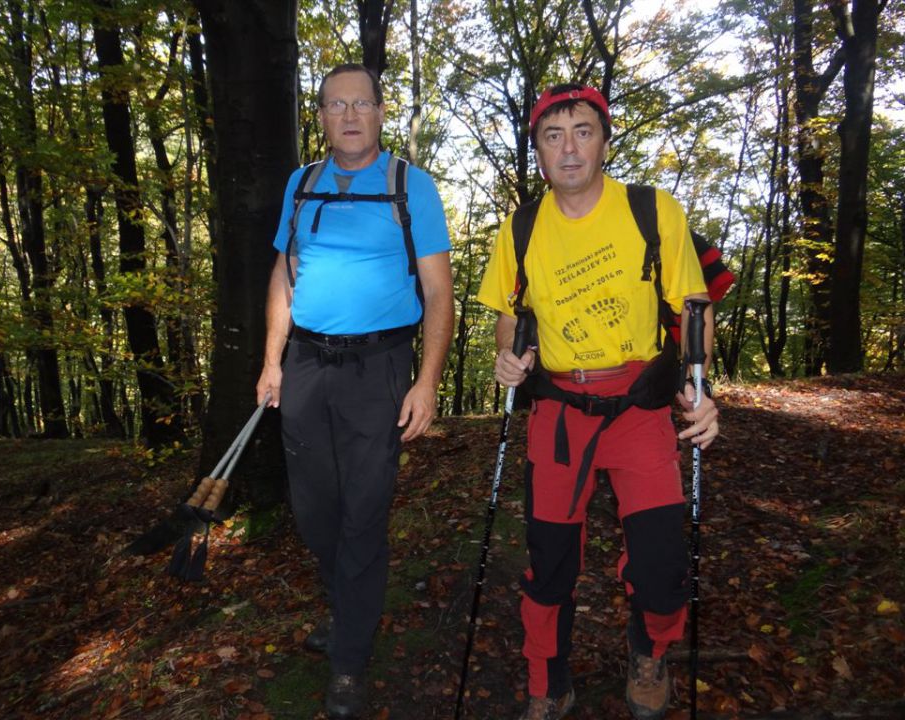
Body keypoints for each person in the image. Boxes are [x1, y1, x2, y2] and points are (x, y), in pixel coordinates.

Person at [477, 84, 720, 720]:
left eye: (583, 131)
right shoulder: (521, 227)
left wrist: (702, 387)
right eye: (553, 136)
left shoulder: (651, 209)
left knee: (664, 556)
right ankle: (548, 677)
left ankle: (651, 652)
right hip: (559, 411)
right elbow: (509, 313)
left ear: (605, 140)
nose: (569, 148)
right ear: (537, 152)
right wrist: (510, 354)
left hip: (639, 407)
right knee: (549, 560)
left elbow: (692, 306)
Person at [256, 63, 453, 719]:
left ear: (378, 112)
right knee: (315, 513)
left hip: (380, 369)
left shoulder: (409, 186)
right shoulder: (301, 183)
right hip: (307, 366)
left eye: (360, 103)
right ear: (319, 115)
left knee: (365, 511)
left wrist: (427, 382)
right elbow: (283, 278)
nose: (348, 114)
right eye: (335, 104)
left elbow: (439, 293)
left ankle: (348, 662)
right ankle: (349, 614)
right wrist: (272, 362)